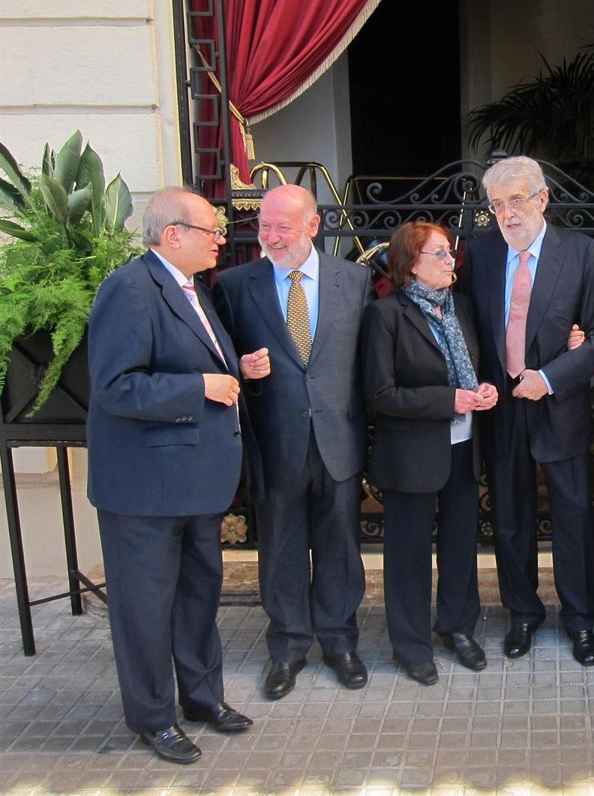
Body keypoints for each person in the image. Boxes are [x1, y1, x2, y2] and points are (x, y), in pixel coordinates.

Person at [87, 187, 262, 763]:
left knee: (197, 598)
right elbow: (116, 387)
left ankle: (203, 699)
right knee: (144, 609)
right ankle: (153, 718)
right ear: (172, 235)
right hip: (145, 488)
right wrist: (199, 387)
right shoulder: (130, 289)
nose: (221, 240)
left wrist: (234, 369)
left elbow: (194, 360)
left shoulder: (191, 288)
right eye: (211, 230)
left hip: (196, 481)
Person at [213, 184, 373, 699]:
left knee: (339, 546)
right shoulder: (235, 285)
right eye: (264, 226)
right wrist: (240, 367)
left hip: (338, 439)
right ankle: (286, 647)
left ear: (313, 226)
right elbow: (216, 356)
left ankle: (340, 641)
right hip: (275, 441)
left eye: (283, 227)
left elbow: (368, 362)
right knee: (280, 548)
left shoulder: (355, 280)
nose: (272, 237)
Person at [462, 155, 594, 667]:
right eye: (497, 204)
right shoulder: (480, 253)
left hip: (558, 402)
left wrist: (548, 377)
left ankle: (580, 618)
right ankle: (522, 613)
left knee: (573, 515)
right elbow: (469, 326)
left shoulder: (581, 253)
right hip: (501, 405)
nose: (507, 213)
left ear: (542, 199)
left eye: (516, 200)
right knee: (509, 516)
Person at [361, 222, 499, 685]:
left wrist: (483, 390)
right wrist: (448, 401)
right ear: (410, 264)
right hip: (411, 454)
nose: (449, 261)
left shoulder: (462, 307)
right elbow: (380, 394)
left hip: (463, 447)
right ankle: (411, 645)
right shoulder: (386, 315)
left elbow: (473, 369)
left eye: (448, 252)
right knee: (409, 554)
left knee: (460, 544)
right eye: (437, 254)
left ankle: (458, 628)